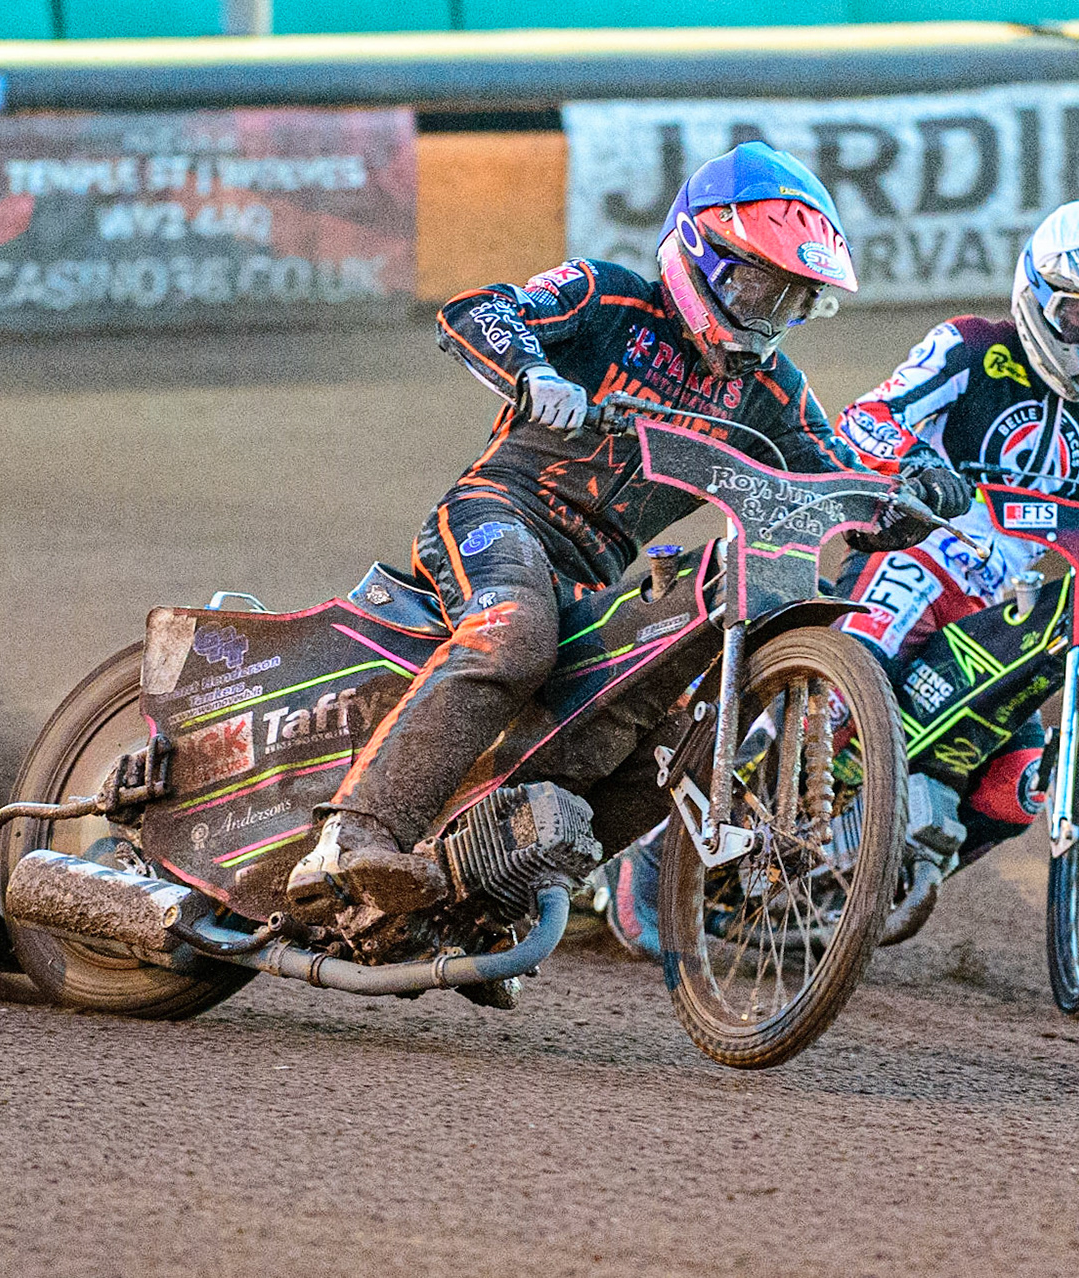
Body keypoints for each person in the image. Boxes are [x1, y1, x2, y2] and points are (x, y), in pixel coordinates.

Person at [283, 141, 972, 934]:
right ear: (701, 256)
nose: (765, 315)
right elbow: (477, 309)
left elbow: (834, 484)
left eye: (790, 300)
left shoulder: (772, 391)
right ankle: (352, 834)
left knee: (667, 737)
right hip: (498, 515)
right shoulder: (607, 299)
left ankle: (486, 891)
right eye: (755, 285)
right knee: (513, 632)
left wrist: (908, 500)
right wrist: (534, 375)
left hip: (595, 577)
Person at [601, 200, 1079, 958]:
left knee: (1017, 790)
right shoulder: (969, 350)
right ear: (1036, 296)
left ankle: (857, 880)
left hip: (995, 606)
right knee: (833, 695)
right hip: (909, 558)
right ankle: (657, 845)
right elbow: (868, 419)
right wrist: (914, 467)